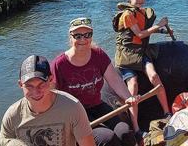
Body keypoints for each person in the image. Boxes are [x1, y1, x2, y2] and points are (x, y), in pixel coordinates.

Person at [51, 17, 139, 146]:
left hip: (97, 105)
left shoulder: (98, 55)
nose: (83, 39)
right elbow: (52, 95)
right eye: (78, 36)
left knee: (124, 132)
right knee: (107, 137)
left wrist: (128, 98)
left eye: (87, 35)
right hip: (75, 113)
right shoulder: (59, 64)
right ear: (71, 37)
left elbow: (115, 80)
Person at [114, 0, 172, 139]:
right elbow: (139, 34)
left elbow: (144, 31)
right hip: (127, 55)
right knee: (132, 85)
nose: (140, 0)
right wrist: (159, 25)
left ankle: (167, 113)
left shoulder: (142, 12)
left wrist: (161, 30)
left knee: (154, 76)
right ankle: (136, 128)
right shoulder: (127, 15)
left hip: (141, 52)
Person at [0, 55, 96, 146]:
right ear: (20, 84)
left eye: (42, 84)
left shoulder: (73, 107)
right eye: (29, 86)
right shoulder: (12, 116)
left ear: (51, 79)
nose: (36, 92)